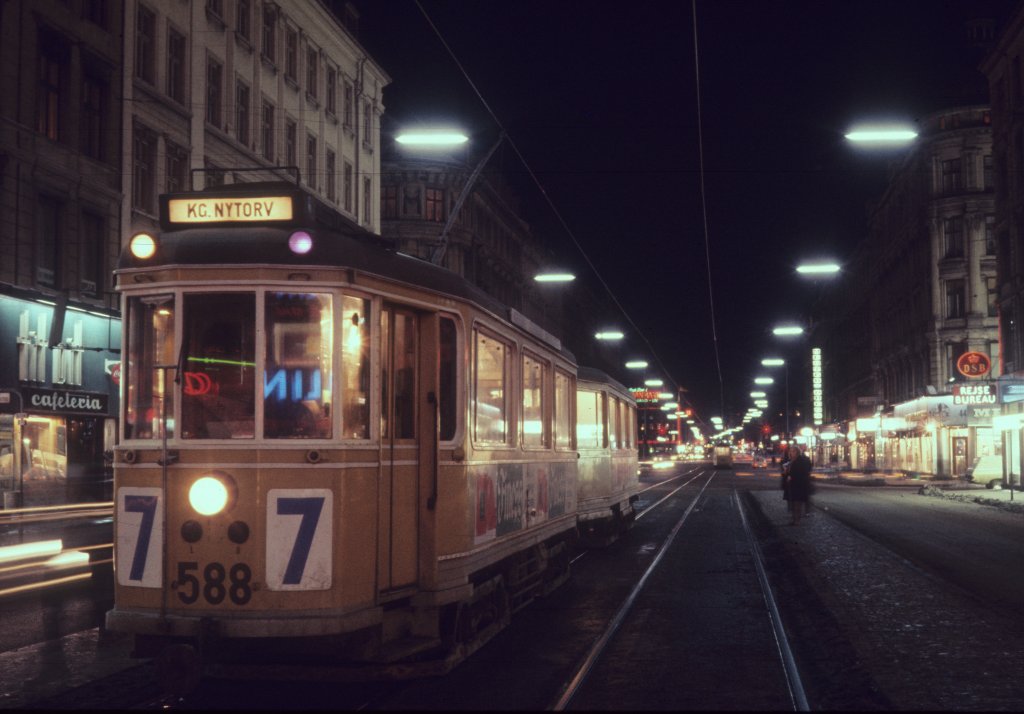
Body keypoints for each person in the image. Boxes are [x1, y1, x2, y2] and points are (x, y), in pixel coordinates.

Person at [784, 444, 813, 525]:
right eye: (790, 451)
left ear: (797, 452)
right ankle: (795, 520)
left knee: (797, 504)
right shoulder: (792, 461)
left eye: (793, 451)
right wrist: (787, 472)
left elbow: (802, 473)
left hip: (799, 486)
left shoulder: (800, 461)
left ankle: (797, 521)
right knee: (794, 504)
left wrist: (791, 476)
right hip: (793, 486)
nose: (791, 453)